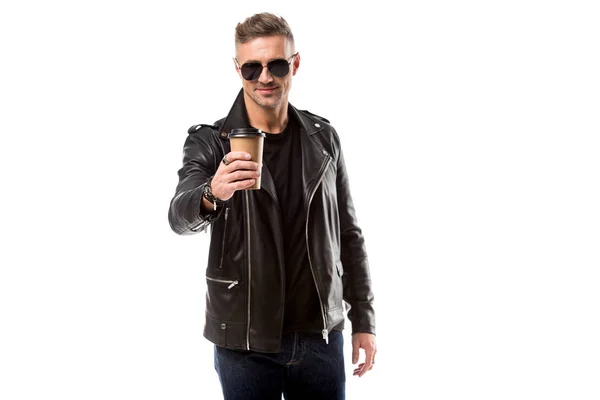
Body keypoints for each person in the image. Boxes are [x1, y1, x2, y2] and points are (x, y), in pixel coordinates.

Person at [168, 12, 376, 400]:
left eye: (276, 65)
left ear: (295, 64)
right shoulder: (211, 141)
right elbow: (179, 216)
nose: (264, 77)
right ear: (238, 69)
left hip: (320, 336)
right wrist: (213, 192)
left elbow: (348, 233)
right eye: (252, 67)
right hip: (244, 340)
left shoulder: (323, 138)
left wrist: (363, 318)